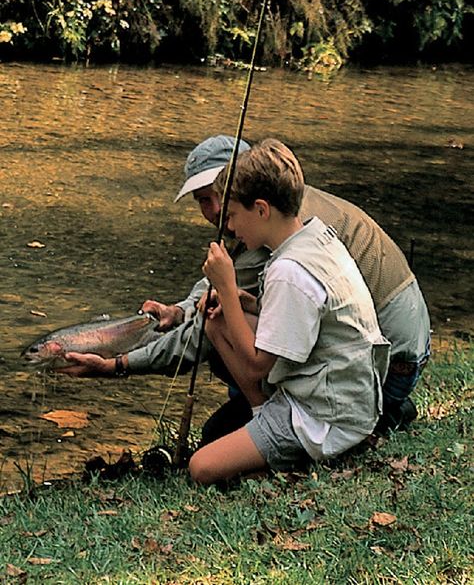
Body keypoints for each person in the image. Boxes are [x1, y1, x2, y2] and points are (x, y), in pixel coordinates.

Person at [59, 134, 430, 438]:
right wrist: (180, 310)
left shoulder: (281, 237)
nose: (212, 211)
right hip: (384, 352)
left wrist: (117, 365)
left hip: (386, 367)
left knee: (218, 419)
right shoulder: (282, 203)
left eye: (216, 196)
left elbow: (203, 332)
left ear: (248, 193)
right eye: (202, 201)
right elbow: (218, 288)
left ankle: (382, 414)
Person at [188, 139, 390, 483]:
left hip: (323, 417)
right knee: (217, 322)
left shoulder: (289, 270)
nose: (230, 227)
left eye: (233, 215)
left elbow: (255, 365)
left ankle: (281, 451)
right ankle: (262, 419)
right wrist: (243, 302)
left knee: (201, 467)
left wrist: (225, 286)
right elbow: (302, 314)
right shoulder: (314, 236)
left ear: (262, 209)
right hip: (347, 396)